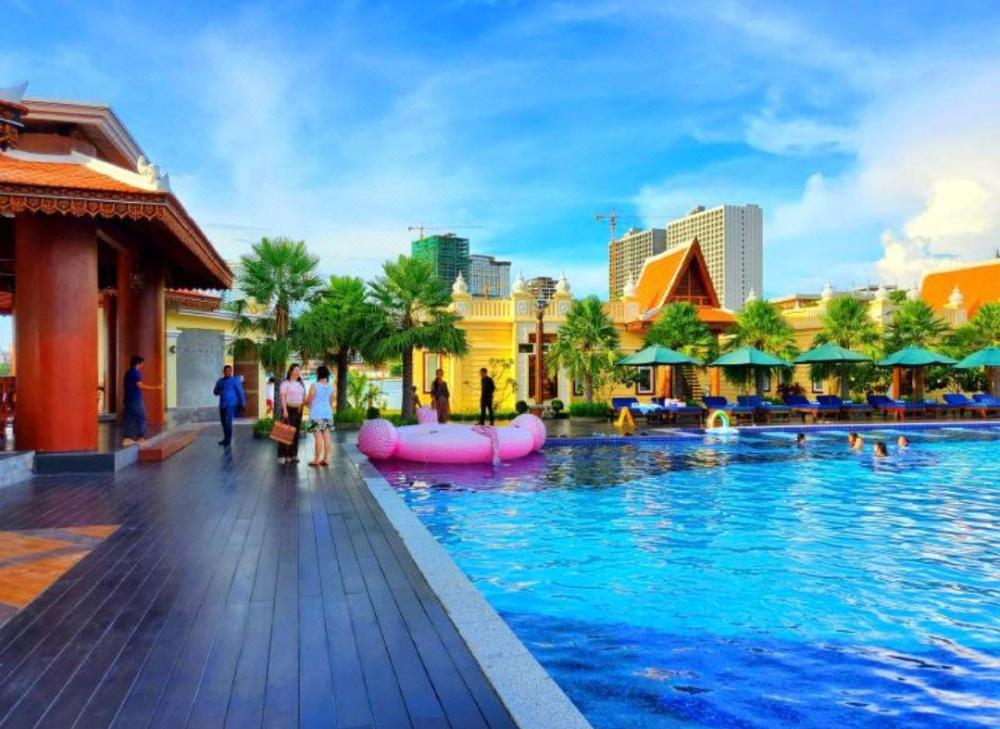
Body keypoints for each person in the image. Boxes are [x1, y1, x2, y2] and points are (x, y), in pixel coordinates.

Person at [122, 355, 161, 447]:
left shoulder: (128, 372)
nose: (142, 365)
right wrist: (155, 388)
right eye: (142, 363)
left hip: (128, 399)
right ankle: (141, 438)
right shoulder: (135, 373)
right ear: (138, 363)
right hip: (135, 400)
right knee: (142, 417)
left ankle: (127, 438)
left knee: (129, 418)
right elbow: (140, 385)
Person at [306, 365, 335, 467]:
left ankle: (317, 459)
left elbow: (309, 400)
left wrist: (306, 405)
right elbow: (331, 403)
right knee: (327, 436)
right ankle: (327, 459)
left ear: (318, 374)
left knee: (318, 436)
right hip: (327, 413)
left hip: (316, 414)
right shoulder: (331, 387)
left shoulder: (314, 385)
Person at [278, 363, 306, 464]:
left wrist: (302, 407)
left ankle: (293, 455)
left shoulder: (301, 384)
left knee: (295, 433)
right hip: (288, 409)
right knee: (285, 433)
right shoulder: (285, 383)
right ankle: (284, 455)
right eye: (296, 370)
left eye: (299, 370)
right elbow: (283, 398)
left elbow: (304, 397)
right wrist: (285, 411)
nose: (298, 372)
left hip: (298, 410)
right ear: (291, 371)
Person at [214, 364, 246, 447]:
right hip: (222, 405)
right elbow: (215, 392)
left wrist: (242, 403)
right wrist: (218, 390)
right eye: (226, 371)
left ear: (231, 371)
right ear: (224, 372)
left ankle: (228, 440)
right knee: (223, 422)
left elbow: (240, 392)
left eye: (229, 371)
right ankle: (225, 438)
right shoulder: (220, 381)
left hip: (231, 404)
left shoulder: (235, 380)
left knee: (228, 422)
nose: (228, 372)